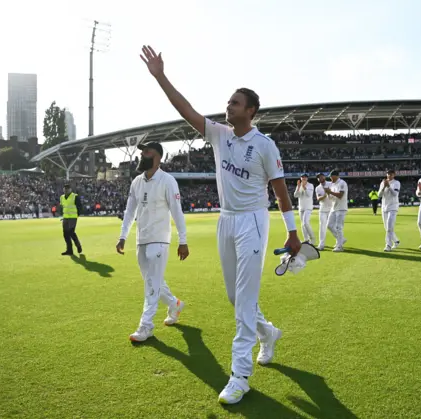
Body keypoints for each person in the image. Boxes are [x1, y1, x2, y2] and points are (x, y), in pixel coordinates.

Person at [140, 44, 301, 405]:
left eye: (235, 103)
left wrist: (292, 233)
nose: (228, 106)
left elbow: (280, 192)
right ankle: (268, 332)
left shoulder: (265, 145)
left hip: (253, 222)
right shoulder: (219, 134)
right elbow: (185, 110)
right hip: (225, 221)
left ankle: (240, 375)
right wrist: (160, 76)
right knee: (234, 297)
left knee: (243, 300)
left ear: (251, 111)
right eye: (228, 102)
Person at [117, 141, 189, 342]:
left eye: (147, 151)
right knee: (153, 282)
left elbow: (177, 211)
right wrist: (123, 236)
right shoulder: (136, 182)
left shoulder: (168, 181)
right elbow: (130, 211)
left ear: (158, 157)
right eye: (142, 152)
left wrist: (183, 240)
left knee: (151, 285)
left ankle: (145, 326)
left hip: (160, 240)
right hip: (142, 239)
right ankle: (175, 304)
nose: (143, 155)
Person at [324, 169, 348, 252]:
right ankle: (341, 240)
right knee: (329, 225)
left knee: (338, 227)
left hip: (341, 208)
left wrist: (330, 191)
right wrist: (328, 193)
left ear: (336, 176)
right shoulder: (332, 184)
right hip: (334, 208)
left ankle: (340, 246)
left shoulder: (342, 183)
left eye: (331, 176)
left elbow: (340, 195)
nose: (330, 178)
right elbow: (331, 198)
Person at [378, 169, 400, 252]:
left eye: (391, 174)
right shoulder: (382, 182)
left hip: (393, 207)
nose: (389, 176)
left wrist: (388, 186)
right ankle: (396, 240)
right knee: (387, 227)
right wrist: (384, 186)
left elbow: (395, 194)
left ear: (394, 175)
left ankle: (388, 245)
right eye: (388, 174)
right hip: (384, 207)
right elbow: (379, 195)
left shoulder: (396, 183)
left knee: (389, 227)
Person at [60, 183, 83, 256]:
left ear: (70, 189)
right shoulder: (62, 197)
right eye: (65, 189)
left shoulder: (75, 196)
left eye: (67, 189)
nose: (66, 190)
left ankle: (78, 245)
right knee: (65, 234)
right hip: (65, 217)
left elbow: (79, 206)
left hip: (73, 217)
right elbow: (62, 207)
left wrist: (77, 215)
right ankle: (69, 250)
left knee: (71, 232)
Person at [293, 174, 314, 244]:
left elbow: (309, 194)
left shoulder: (310, 185)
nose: (304, 179)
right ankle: (306, 239)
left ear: (307, 178)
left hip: (308, 207)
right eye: (302, 177)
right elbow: (295, 195)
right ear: (301, 178)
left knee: (305, 223)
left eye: (305, 177)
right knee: (302, 224)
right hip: (301, 207)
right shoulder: (299, 185)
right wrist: (299, 187)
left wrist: (304, 187)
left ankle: (312, 238)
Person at [315, 173, 332, 250]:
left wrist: (329, 192)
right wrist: (325, 195)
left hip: (331, 208)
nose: (320, 178)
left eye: (321, 176)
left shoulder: (331, 184)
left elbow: (334, 195)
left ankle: (340, 241)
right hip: (322, 209)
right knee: (322, 227)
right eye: (318, 178)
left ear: (324, 177)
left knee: (333, 226)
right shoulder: (318, 188)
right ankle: (321, 245)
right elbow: (318, 198)